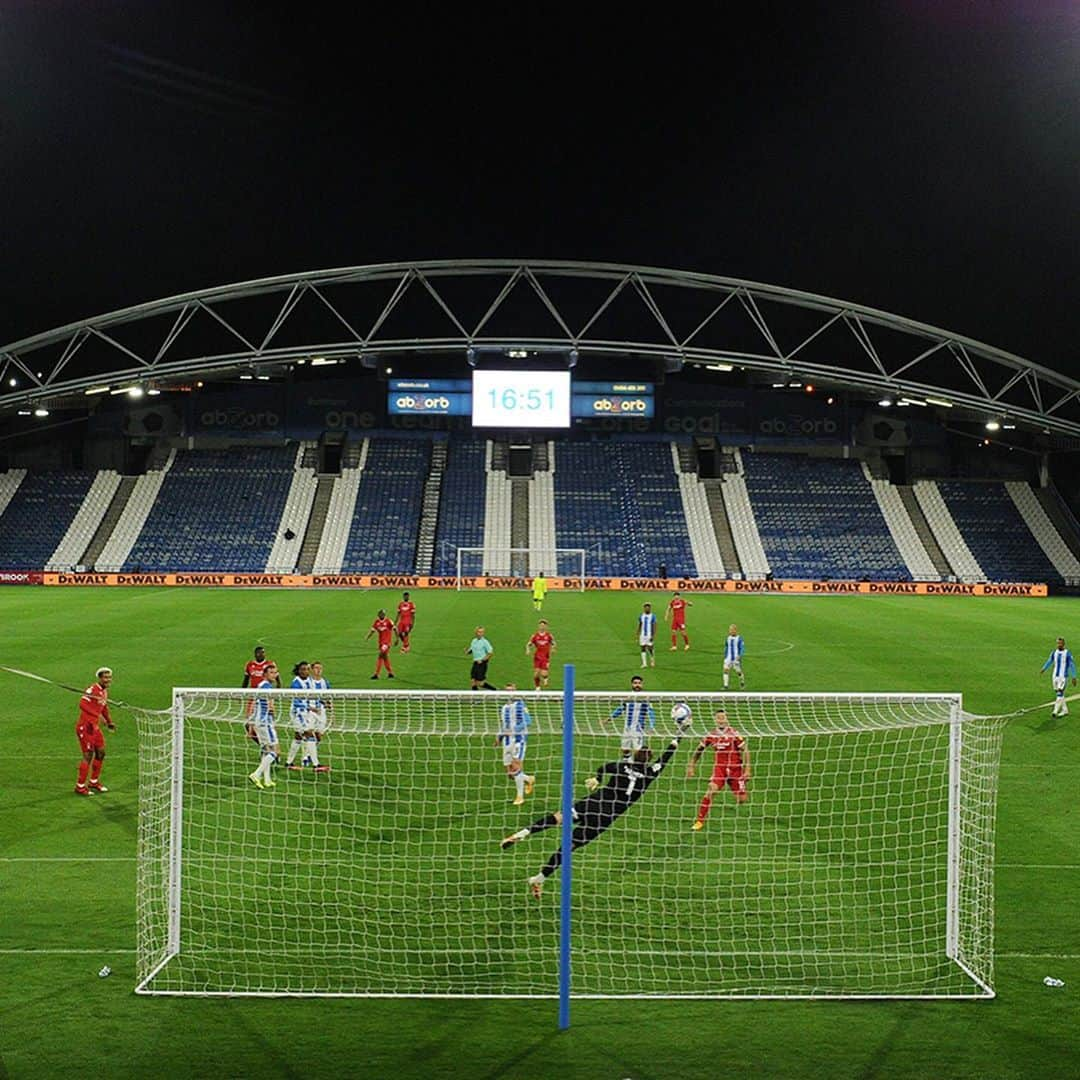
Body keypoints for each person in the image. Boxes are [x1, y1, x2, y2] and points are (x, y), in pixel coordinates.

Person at [501, 721, 691, 898]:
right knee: (567, 848)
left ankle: (521, 834)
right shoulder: (650, 773)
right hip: (605, 817)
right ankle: (539, 879)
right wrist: (679, 735)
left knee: (556, 818)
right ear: (648, 761)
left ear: (634, 756)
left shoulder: (622, 765)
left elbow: (603, 767)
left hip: (593, 802)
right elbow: (666, 757)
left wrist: (597, 779)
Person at [687, 709, 750, 829]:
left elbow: (745, 750)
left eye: (723, 717)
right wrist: (691, 765)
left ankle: (739, 787)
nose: (721, 720)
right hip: (720, 769)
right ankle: (699, 821)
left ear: (727, 719)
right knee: (711, 790)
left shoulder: (734, 733)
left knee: (742, 800)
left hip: (735, 770)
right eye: (718, 717)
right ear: (715, 719)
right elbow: (699, 750)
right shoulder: (711, 735)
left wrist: (747, 770)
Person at [74, 666, 116, 796]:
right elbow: (82, 704)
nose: (108, 679)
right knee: (88, 755)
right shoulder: (92, 690)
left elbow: (104, 707)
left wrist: (109, 721)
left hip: (95, 727)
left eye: (109, 677)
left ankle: (93, 781)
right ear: (100, 678)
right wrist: (96, 716)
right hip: (86, 727)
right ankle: (80, 786)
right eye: (105, 677)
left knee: (101, 753)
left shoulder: (103, 692)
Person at [495, 684, 536, 805]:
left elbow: (528, 721)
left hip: (519, 739)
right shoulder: (503, 708)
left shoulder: (520, 705)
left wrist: (515, 730)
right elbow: (505, 725)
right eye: (507, 691)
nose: (509, 693)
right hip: (507, 741)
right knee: (510, 773)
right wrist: (499, 736)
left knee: (516, 766)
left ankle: (520, 797)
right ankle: (528, 779)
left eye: (511, 691)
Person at [606, 674, 655, 756]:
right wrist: (610, 718)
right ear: (632, 684)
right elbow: (621, 708)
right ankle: (627, 765)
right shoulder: (628, 697)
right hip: (627, 729)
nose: (637, 685)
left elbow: (651, 713)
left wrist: (651, 726)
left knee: (638, 752)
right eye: (635, 683)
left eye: (639, 683)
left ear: (642, 685)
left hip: (638, 730)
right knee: (625, 749)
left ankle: (637, 767)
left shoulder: (645, 698)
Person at [249, 663, 280, 789]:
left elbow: (255, 705)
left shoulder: (260, 685)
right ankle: (256, 774)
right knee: (275, 751)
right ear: (265, 674)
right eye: (272, 672)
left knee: (265, 751)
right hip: (265, 722)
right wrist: (272, 710)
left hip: (258, 722)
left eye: (275, 672)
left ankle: (267, 779)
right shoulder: (267, 687)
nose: (275, 675)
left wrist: (251, 723)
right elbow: (270, 707)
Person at [242, 644, 279, 743]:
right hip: (253, 697)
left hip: (265, 696)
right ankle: (263, 745)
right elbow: (246, 680)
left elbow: (278, 680)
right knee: (248, 724)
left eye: (262, 653)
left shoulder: (270, 664)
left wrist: (276, 694)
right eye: (258, 653)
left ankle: (270, 746)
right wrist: (241, 693)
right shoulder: (250, 665)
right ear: (255, 654)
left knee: (268, 721)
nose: (260, 655)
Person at [285, 661, 316, 771]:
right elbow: (296, 700)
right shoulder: (296, 683)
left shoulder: (309, 681)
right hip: (298, 712)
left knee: (298, 736)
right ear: (298, 671)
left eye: (307, 669)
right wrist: (310, 708)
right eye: (303, 669)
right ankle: (316, 764)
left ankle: (289, 762)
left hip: (305, 712)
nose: (305, 671)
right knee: (309, 734)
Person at [1041, 636, 1078, 717]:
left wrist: (1074, 676)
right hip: (1055, 676)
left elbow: (1072, 665)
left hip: (1063, 677)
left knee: (1059, 693)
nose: (1059, 645)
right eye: (1058, 643)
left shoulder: (1067, 653)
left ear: (1063, 644)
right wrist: (1044, 668)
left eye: (1060, 643)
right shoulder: (1054, 652)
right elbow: (1050, 661)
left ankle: (1055, 711)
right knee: (1059, 694)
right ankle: (1065, 710)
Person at [307, 660, 332, 772]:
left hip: (321, 711)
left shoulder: (325, 682)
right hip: (310, 711)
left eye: (320, 668)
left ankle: (309, 755)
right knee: (309, 734)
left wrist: (331, 709)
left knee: (319, 735)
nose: (318, 670)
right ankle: (313, 762)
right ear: (312, 669)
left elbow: (328, 697)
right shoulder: (308, 682)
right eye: (316, 668)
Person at [526, 619, 556, 690]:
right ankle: (537, 687)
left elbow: (553, 643)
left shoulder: (549, 635)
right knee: (536, 674)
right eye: (541, 625)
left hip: (545, 656)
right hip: (537, 656)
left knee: (544, 673)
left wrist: (553, 648)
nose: (542, 627)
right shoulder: (535, 636)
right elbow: (528, 644)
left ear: (546, 627)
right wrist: (528, 649)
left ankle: (546, 678)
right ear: (539, 626)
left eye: (544, 625)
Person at [367, 609, 397, 679]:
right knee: (385, 658)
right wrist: (368, 637)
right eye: (380, 614)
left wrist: (397, 639)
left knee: (380, 656)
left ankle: (376, 674)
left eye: (383, 614)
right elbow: (372, 630)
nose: (382, 615)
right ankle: (390, 673)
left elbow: (395, 629)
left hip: (386, 643)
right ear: (378, 615)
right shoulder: (377, 622)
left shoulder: (388, 621)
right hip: (380, 643)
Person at [467, 625, 496, 690]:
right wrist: (467, 652)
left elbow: (490, 653)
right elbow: (471, 649)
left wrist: (482, 660)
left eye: (482, 632)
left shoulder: (485, 642)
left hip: (482, 664)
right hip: (475, 663)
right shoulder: (473, 641)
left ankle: (495, 690)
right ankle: (475, 699)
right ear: (476, 632)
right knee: (473, 682)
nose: (480, 634)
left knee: (480, 683)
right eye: (479, 632)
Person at [723, 623, 746, 689]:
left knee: (738, 671)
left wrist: (740, 655)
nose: (731, 631)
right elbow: (726, 646)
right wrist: (725, 655)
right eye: (730, 630)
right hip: (728, 658)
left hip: (736, 658)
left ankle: (742, 682)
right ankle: (726, 686)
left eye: (732, 630)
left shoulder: (739, 639)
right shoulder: (728, 638)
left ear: (736, 630)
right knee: (725, 670)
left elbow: (742, 648)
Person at [638, 602, 657, 668]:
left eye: (648, 607)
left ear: (650, 608)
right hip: (642, 635)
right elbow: (640, 624)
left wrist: (653, 635)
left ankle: (652, 660)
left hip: (649, 635)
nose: (647, 608)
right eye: (646, 607)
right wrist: (638, 632)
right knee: (642, 648)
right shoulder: (641, 616)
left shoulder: (653, 616)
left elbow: (654, 625)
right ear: (644, 608)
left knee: (650, 648)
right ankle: (644, 663)